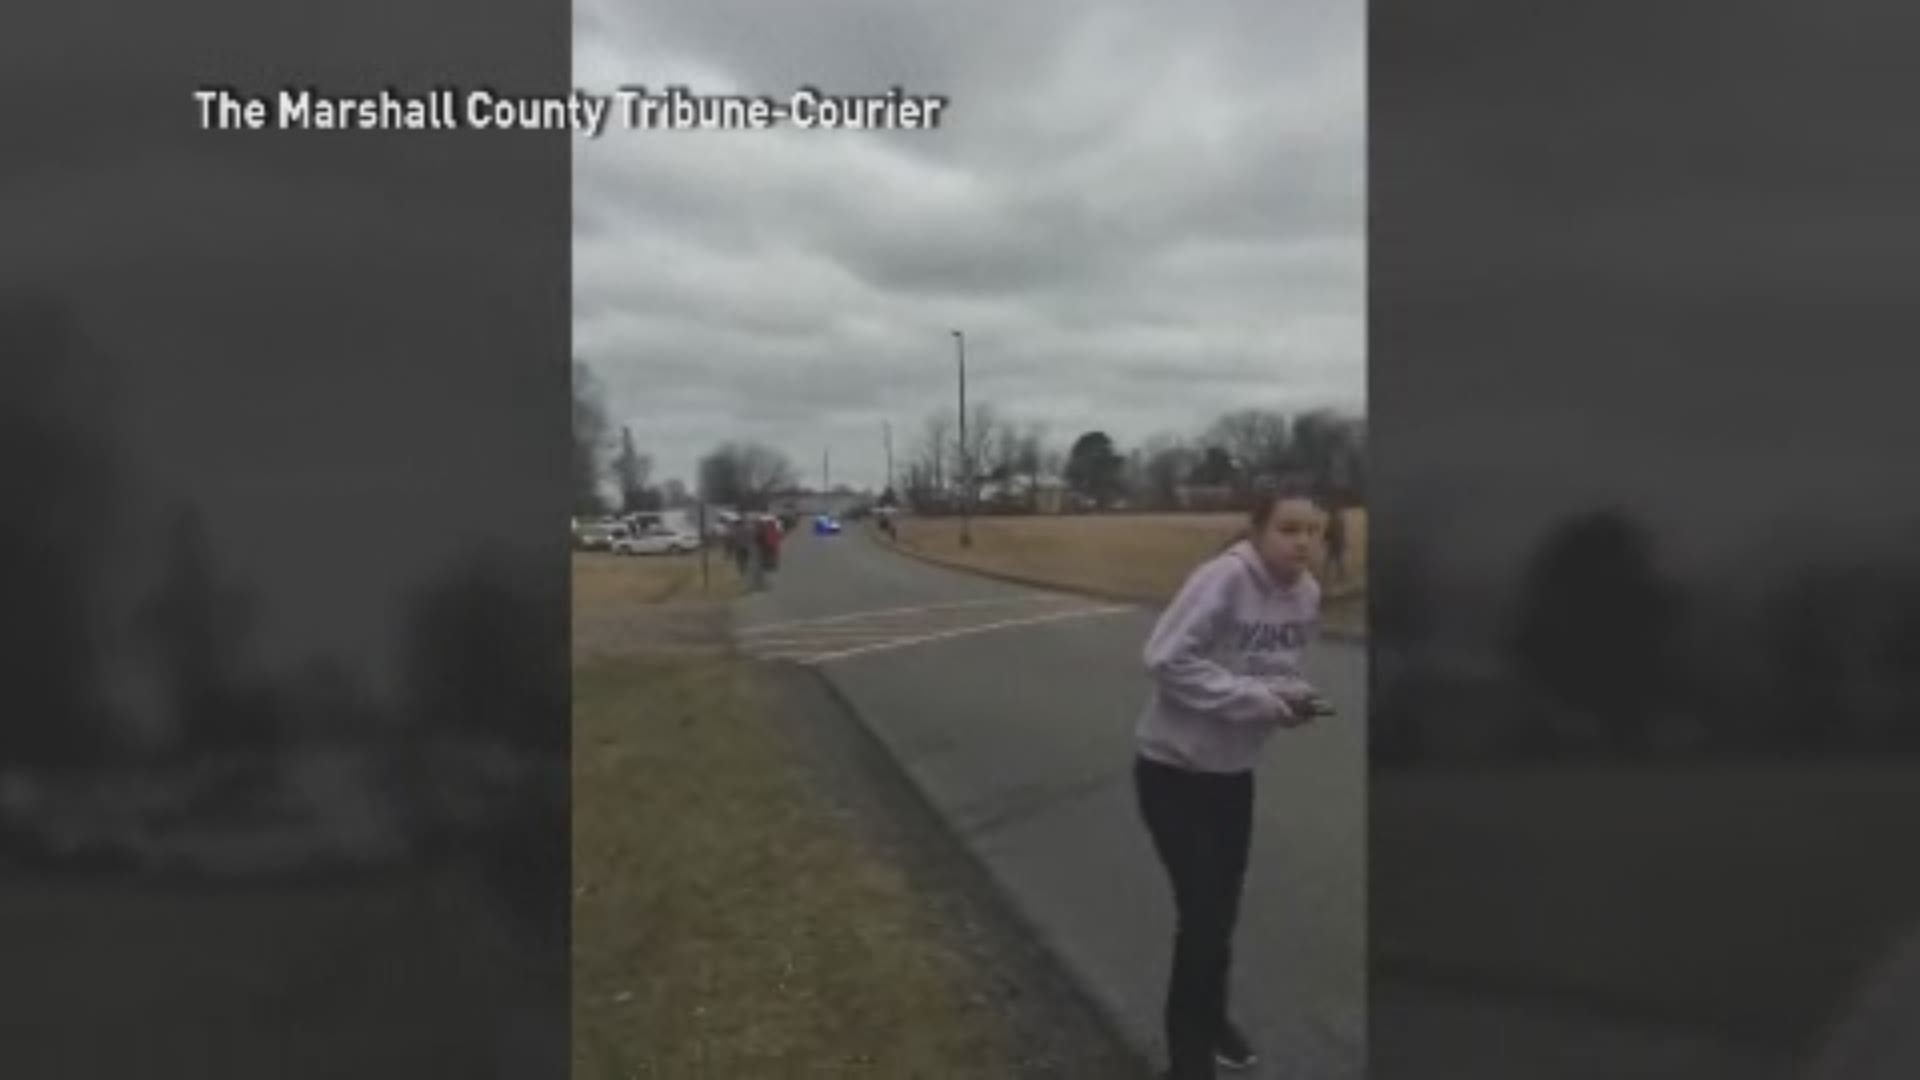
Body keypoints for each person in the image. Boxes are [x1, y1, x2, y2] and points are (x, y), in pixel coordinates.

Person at [1134, 481, 1333, 1079]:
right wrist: (1257, 701)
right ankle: (1187, 1061)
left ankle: (1212, 1017)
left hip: (1233, 775)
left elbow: (1275, 670)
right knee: (1201, 915)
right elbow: (1165, 660)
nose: (1302, 543)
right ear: (1258, 531)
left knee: (1221, 912)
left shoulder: (1307, 596)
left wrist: (1294, 700)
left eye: (1314, 531)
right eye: (1289, 529)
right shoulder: (1222, 579)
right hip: (1172, 769)